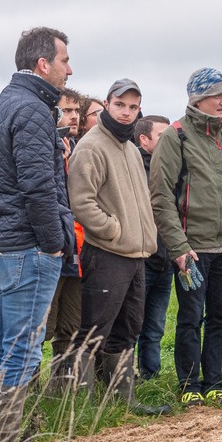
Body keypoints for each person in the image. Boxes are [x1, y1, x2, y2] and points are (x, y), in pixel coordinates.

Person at [0, 26, 77, 442]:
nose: (69, 70)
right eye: (64, 61)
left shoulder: (1, 104)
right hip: (26, 248)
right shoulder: (33, 110)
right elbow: (40, 187)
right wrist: (55, 242)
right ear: (43, 64)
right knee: (19, 352)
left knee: (1, 350)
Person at [148, 68, 222, 408]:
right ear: (198, 98)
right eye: (217, 95)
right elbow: (162, 197)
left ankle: (214, 382)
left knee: (221, 317)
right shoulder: (175, 137)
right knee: (190, 318)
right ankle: (189, 384)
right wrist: (178, 248)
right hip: (193, 250)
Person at [67, 79, 168, 414]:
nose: (126, 112)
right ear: (108, 104)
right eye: (120, 105)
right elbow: (81, 201)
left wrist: (145, 235)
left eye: (133, 107)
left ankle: (122, 402)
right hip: (107, 253)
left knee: (127, 329)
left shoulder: (128, 147)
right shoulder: (92, 146)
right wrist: (112, 231)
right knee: (94, 330)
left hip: (136, 254)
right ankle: (84, 407)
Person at [46, 85, 96, 382]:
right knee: (42, 326)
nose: (73, 116)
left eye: (77, 110)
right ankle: (26, 398)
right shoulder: (47, 148)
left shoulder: (82, 148)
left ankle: (60, 390)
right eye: (67, 110)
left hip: (80, 251)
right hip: (54, 249)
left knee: (72, 327)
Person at [133, 114, 174, 379]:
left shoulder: (173, 167)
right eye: (162, 136)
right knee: (132, 322)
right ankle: (124, 377)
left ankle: (151, 374)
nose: (168, 141)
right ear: (144, 139)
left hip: (167, 257)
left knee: (156, 325)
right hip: (141, 258)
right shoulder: (134, 168)